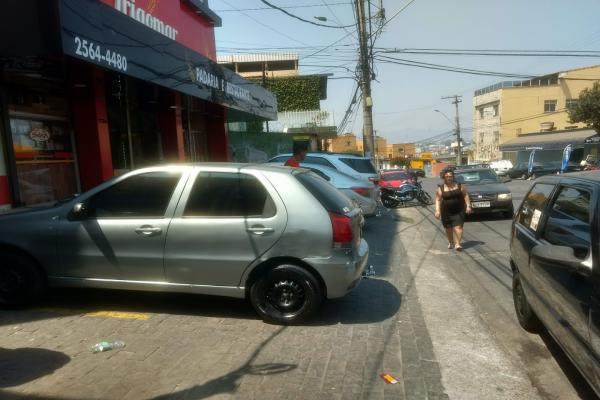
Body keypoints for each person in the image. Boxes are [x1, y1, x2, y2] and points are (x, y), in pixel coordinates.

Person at [434, 169, 472, 251]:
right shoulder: (441, 189)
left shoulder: (459, 186)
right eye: (447, 176)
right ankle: (451, 242)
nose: (449, 178)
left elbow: (465, 195)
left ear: (453, 177)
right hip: (446, 212)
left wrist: (468, 206)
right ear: (444, 178)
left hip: (459, 210)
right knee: (448, 228)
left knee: (458, 227)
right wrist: (437, 210)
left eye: (450, 176)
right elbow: (438, 200)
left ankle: (457, 244)